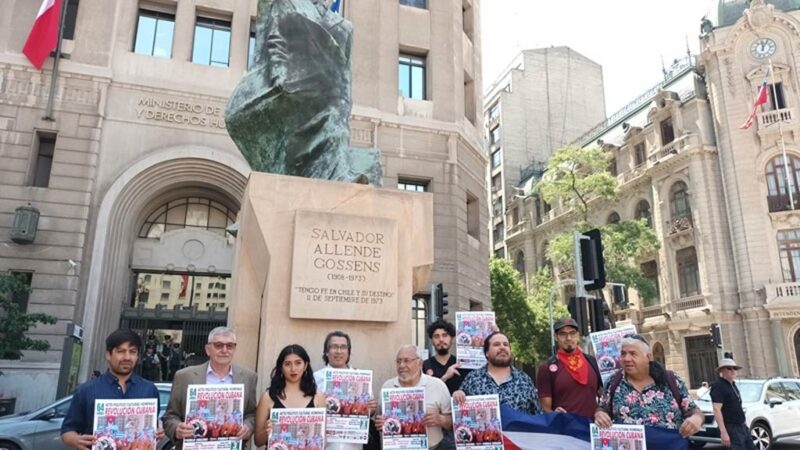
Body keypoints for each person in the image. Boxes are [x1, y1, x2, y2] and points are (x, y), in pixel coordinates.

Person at [61, 329, 163, 450]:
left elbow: (152, 428)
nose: (127, 357)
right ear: (108, 354)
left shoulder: (149, 390)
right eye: (121, 351)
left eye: (132, 352)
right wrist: (76, 440)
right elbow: (67, 432)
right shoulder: (86, 390)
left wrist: (157, 433)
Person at [162, 327, 258, 449]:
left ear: (234, 349)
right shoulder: (184, 377)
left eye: (230, 346)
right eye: (218, 345)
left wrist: (248, 427)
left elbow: (251, 414)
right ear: (208, 349)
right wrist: (177, 428)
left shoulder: (248, 378)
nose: (224, 350)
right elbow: (170, 416)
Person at [594, 334, 704, 437]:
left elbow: (693, 410)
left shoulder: (671, 380)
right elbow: (603, 408)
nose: (626, 359)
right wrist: (599, 414)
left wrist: (696, 419)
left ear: (648, 357)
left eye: (633, 354)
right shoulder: (613, 382)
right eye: (623, 354)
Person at [375, 345, 452, 449]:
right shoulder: (387, 386)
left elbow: (452, 421)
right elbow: (379, 418)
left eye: (407, 361)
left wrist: (441, 419)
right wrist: (380, 423)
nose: (401, 365)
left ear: (419, 363)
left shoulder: (437, 385)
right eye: (398, 361)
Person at [312, 331, 377, 450]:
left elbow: (369, 412)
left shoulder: (361, 378)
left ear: (349, 352)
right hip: (326, 445)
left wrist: (371, 409)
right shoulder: (316, 378)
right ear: (326, 352)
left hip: (354, 445)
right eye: (334, 347)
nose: (338, 351)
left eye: (343, 347)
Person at [254, 344, 327, 447]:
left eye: (298, 363)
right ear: (281, 367)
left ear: (305, 365)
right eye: (287, 364)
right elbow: (257, 441)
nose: (293, 369)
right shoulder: (268, 397)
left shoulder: (318, 396)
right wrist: (266, 431)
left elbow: (323, 440)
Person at [453, 332, 542, 415]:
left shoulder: (524, 380)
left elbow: (537, 415)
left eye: (506, 344)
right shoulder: (472, 378)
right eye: (496, 344)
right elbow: (461, 414)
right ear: (486, 353)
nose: (502, 347)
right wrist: (458, 395)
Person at [535, 318, 602, 419]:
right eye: (563, 334)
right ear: (556, 337)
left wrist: (601, 411)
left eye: (572, 333)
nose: (569, 338)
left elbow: (605, 396)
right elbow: (545, 409)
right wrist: (554, 414)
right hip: (565, 431)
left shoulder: (592, 361)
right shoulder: (546, 368)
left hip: (593, 430)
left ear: (578, 335)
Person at [710, 358, 755, 449]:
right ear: (722, 370)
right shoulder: (719, 386)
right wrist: (723, 432)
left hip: (742, 426)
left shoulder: (733, 385)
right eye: (729, 368)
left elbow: (737, 406)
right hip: (731, 428)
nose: (733, 371)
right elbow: (716, 409)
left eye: (734, 368)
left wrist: (744, 424)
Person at [423, 319, 467, 394]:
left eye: (445, 335)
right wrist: (445, 377)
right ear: (432, 341)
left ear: (451, 338)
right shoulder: (425, 365)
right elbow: (426, 394)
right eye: (436, 336)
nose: (441, 339)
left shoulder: (461, 364)